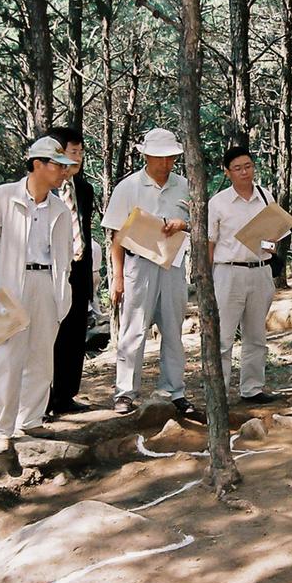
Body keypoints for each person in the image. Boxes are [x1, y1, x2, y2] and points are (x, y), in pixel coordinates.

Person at [0, 137, 76, 449]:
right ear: (37, 164)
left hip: (47, 282)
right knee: (7, 356)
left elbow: (65, 253)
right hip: (10, 285)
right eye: (57, 165)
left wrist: (62, 290)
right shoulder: (3, 197)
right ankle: (2, 428)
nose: (62, 172)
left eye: (65, 167)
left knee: (42, 354)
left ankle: (30, 420)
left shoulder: (59, 207)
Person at [101, 128, 204, 422]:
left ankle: (174, 390)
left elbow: (199, 222)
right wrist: (118, 277)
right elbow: (117, 236)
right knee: (133, 328)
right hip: (139, 265)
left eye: (170, 157)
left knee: (173, 328)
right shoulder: (128, 187)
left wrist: (182, 224)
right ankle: (124, 392)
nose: (165, 163)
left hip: (172, 263)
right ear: (145, 155)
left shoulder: (185, 185)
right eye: (159, 157)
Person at [208, 146, 278, 405]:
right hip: (229, 272)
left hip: (260, 270)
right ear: (227, 173)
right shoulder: (218, 203)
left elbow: (274, 237)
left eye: (248, 166)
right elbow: (210, 242)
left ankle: (252, 388)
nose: (244, 172)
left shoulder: (265, 197)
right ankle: (219, 392)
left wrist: (269, 244)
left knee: (256, 334)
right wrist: (206, 277)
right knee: (223, 336)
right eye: (237, 168)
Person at [45, 126, 97, 417]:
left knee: (75, 334)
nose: (78, 158)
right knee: (49, 335)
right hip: (49, 272)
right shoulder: (45, 190)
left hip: (78, 269)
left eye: (80, 152)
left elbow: (85, 234)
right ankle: (43, 399)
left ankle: (66, 396)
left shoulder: (85, 189)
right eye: (72, 152)